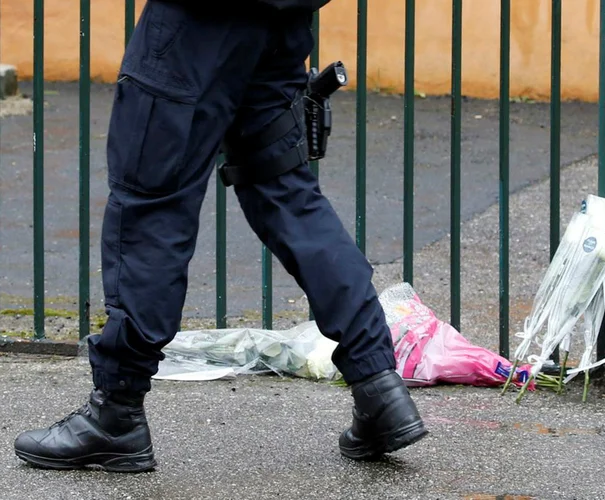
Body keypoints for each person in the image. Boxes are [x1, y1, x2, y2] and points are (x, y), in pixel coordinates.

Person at [13, 0, 427, 473]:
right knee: (286, 190)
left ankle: (116, 411)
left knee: (151, 198)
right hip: (281, 18)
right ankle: (377, 383)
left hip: (195, 26)